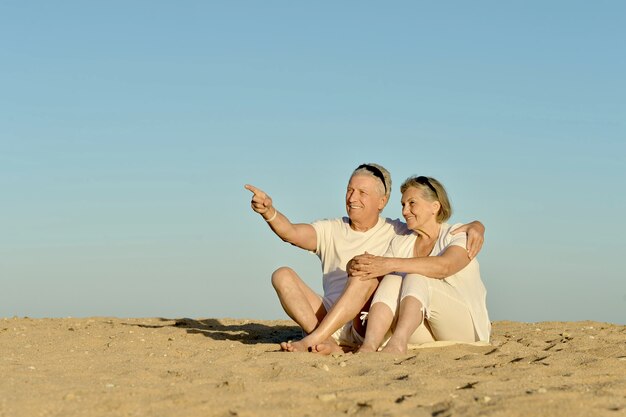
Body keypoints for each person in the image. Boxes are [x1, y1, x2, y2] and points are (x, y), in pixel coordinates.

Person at [244, 164, 485, 353]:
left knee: (396, 274)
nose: (352, 198)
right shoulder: (340, 230)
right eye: (349, 190)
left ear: (381, 202)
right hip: (331, 319)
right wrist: (269, 212)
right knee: (283, 275)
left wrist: (477, 225)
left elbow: (443, 262)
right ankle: (334, 343)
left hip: (383, 322)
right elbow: (292, 233)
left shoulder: (403, 231)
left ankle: (321, 341)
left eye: (361, 192)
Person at [349, 175, 491, 354]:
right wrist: (359, 265)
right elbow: (380, 272)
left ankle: (398, 342)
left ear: (435, 207)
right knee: (392, 279)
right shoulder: (401, 243)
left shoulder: (457, 234)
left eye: (412, 203)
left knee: (415, 275)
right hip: (425, 330)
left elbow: (444, 266)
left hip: (465, 329)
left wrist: (390, 264)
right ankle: (369, 345)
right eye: (403, 204)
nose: (405, 211)